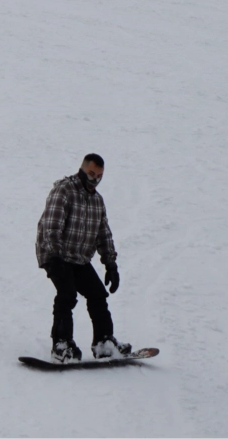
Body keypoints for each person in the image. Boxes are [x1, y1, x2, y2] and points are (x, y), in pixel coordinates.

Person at [37, 154, 129, 363]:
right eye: (91, 173)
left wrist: (111, 264)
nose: (95, 178)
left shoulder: (97, 200)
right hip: (55, 254)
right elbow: (51, 226)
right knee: (67, 294)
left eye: (99, 175)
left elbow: (103, 234)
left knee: (98, 295)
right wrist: (56, 257)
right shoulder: (64, 190)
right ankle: (62, 345)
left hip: (78, 258)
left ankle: (104, 343)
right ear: (82, 169)